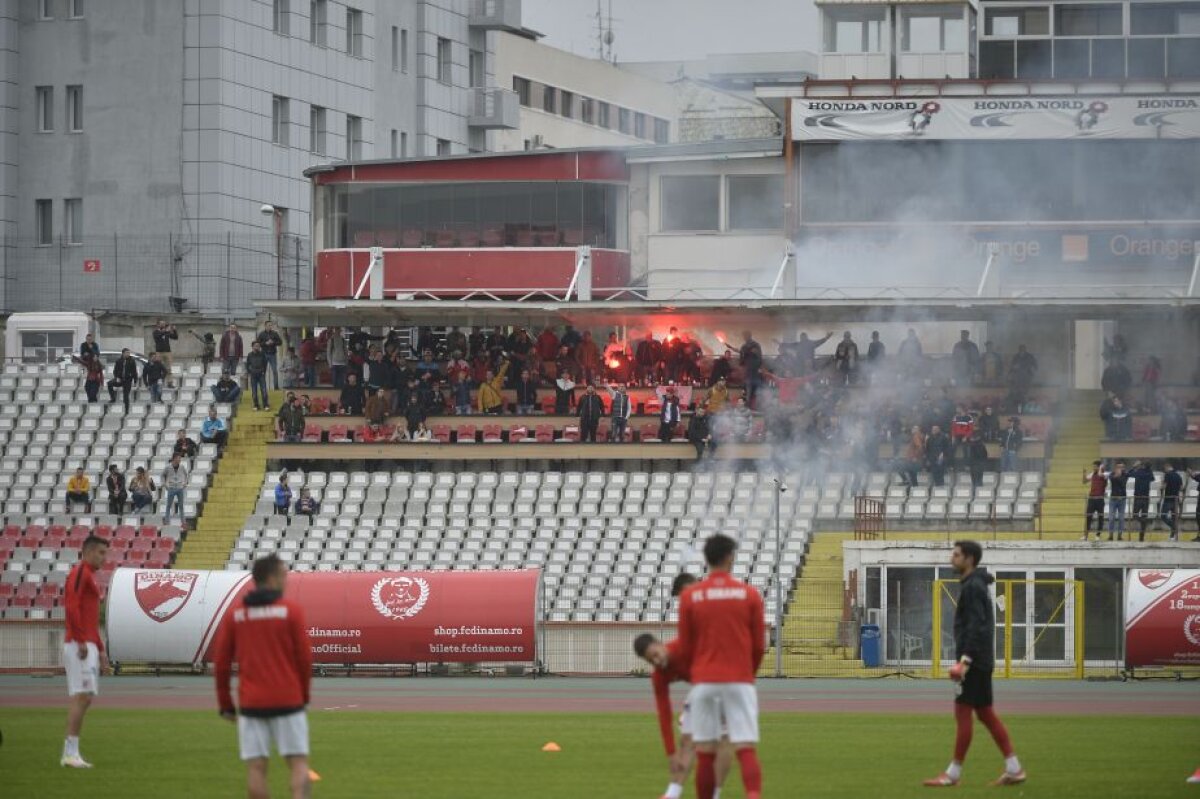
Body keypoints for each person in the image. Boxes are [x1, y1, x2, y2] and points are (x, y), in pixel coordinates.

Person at [923, 540, 1025, 788]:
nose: (952, 558)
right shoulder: (975, 584)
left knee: (964, 713)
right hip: (980, 660)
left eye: (956, 555)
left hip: (975, 662)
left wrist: (964, 662)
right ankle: (1014, 769)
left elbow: (977, 626)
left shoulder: (973, 587)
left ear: (969, 559)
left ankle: (953, 774)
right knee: (985, 714)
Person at [213, 554, 314, 799]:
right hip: (288, 700)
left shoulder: (235, 615)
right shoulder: (291, 611)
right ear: (271, 578)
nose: (286, 581)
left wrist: (226, 705)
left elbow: (222, 664)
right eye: (283, 576)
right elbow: (304, 659)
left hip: (251, 703)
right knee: (298, 763)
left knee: (256, 768)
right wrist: (303, 696)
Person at [675, 534, 765, 799]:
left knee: (705, 752)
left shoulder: (691, 596)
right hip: (739, 678)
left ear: (707, 559)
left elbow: (685, 646)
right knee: (745, 747)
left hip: (704, 681)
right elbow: (758, 645)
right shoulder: (748, 594)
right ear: (729, 557)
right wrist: (749, 673)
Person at [634, 591, 734, 799]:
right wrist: (670, 753)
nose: (656, 661)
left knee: (723, 740)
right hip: (701, 691)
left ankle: (714, 794)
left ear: (660, 644)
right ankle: (672, 794)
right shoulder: (659, 676)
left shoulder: (684, 647)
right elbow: (664, 713)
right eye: (650, 660)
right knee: (687, 741)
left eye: (655, 654)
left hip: (724, 685)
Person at [61, 534, 110, 769]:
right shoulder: (80, 573)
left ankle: (71, 751)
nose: (104, 558)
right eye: (101, 553)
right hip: (79, 644)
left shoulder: (89, 576)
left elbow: (90, 617)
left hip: (87, 643)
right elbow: (72, 607)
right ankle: (70, 753)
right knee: (82, 696)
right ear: (88, 552)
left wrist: (100, 649)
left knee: (86, 697)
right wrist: (81, 641)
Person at [1128, 461, 1155, 542]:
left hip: (1138, 497)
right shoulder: (1149, 473)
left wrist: (1134, 466)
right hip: (1146, 498)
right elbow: (1153, 479)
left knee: (1135, 515)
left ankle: (1143, 520)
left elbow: (1129, 474)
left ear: (1143, 465)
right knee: (1144, 517)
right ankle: (1141, 537)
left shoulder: (1138, 471)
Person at [160, 454, 189, 525]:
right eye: (178, 458)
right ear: (174, 458)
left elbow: (186, 474)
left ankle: (183, 522)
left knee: (181, 506)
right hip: (171, 488)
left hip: (179, 488)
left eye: (180, 458)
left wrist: (185, 482)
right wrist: (164, 484)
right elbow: (162, 475)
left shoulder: (182, 467)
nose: (180, 460)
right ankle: (167, 521)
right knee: (168, 505)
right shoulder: (168, 467)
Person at [1082, 461, 1107, 542]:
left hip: (1100, 499)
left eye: (1095, 466)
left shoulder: (1104, 474)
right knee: (1088, 517)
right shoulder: (1092, 474)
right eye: (1093, 466)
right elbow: (1084, 481)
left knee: (1100, 518)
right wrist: (1084, 473)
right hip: (1092, 499)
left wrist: (1100, 468)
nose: (1094, 468)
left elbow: (1101, 475)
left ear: (1099, 467)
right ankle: (1085, 536)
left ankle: (1098, 535)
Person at [1104, 462, 1128, 541]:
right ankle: (1110, 535)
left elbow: (1122, 483)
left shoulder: (1125, 475)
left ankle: (1119, 536)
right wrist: (1116, 475)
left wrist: (1119, 476)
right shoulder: (1112, 474)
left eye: (1122, 467)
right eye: (1119, 467)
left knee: (1121, 518)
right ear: (1116, 468)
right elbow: (1111, 479)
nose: (1120, 469)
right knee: (1111, 518)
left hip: (1122, 500)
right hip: (1113, 499)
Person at [257, 321, 284, 390]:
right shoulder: (261, 334)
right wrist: (265, 343)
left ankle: (276, 387)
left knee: (275, 371)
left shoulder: (275, 333)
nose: (270, 326)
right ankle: (263, 387)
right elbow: (257, 344)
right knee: (263, 371)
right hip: (264, 354)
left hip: (272, 354)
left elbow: (280, 342)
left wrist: (273, 342)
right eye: (269, 325)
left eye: (271, 325)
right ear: (265, 326)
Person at [739, 331, 763, 407]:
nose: (745, 337)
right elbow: (741, 361)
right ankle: (749, 408)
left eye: (746, 336)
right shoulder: (744, 347)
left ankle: (756, 407)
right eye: (744, 336)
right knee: (749, 393)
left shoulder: (755, 345)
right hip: (749, 373)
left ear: (749, 336)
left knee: (757, 393)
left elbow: (759, 357)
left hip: (755, 373)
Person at [1160, 463, 1183, 541]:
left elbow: (1163, 487)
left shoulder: (1167, 475)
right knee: (1174, 518)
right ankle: (1172, 537)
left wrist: (1161, 484)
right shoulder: (1178, 476)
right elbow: (1181, 488)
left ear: (1167, 467)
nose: (1164, 471)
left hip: (1168, 499)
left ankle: (1173, 527)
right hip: (1176, 500)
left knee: (1163, 515)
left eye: (1164, 469)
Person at [151, 319, 178, 383]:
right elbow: (158, 336)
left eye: (164, 323)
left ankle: (170, 382)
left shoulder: (166, 332)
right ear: (158, 325)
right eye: (162, 323)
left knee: (168, 368)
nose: (163, 325)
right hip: (159, 352)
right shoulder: (155, 332)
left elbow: (175, 337)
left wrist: (174, 330)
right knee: (158, 367)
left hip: (167, 352)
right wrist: (166, 331)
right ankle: (159, 381)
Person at [245, 341, 270, 411]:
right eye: (256, 346)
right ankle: (256, 405)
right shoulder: (249, 355)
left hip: (261, 374)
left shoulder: (262, 354)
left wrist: (263, 372)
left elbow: (265, 364)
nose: (257, 347)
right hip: (253, 375)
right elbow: (247, 365)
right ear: (252, 347)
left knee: (264, 390)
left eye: (258, 346)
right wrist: (250, 372)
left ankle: (266, 405)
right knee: (254, 392)